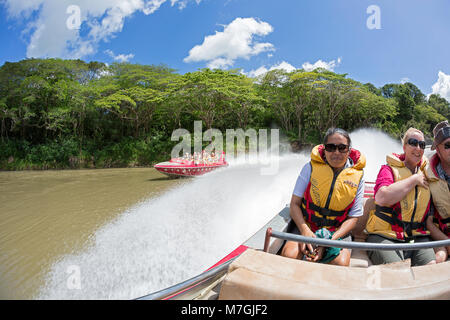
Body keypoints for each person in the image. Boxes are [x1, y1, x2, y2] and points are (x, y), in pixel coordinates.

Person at [281, 128, 366, 266]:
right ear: (324, 149)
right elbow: (295, 204)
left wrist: (328, 242)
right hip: (307, 225)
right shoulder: (309, 168)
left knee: (341, 263)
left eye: (342, 148)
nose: (336, 152)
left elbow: (353, 218)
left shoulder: (358, 177)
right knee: (289, 255)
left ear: (349, 151)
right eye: (331, 147)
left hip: (337, 231)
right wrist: (306, 232)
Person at [365, 127, 436, 266]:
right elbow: (381, 198)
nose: (418, 148)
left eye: (421, 145)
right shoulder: (388, 169)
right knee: (397, 271)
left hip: (416, 236)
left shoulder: (427, 171)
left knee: (431, 266)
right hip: (385, 235)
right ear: (404, 146)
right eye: (413, 143)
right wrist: (414, 179)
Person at [425, 120, 450, 263]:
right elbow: (428, 223)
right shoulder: (427, 176)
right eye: (448, 146)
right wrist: (447, 242)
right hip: (440, 235)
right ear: (438, 150)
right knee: (439, 258)